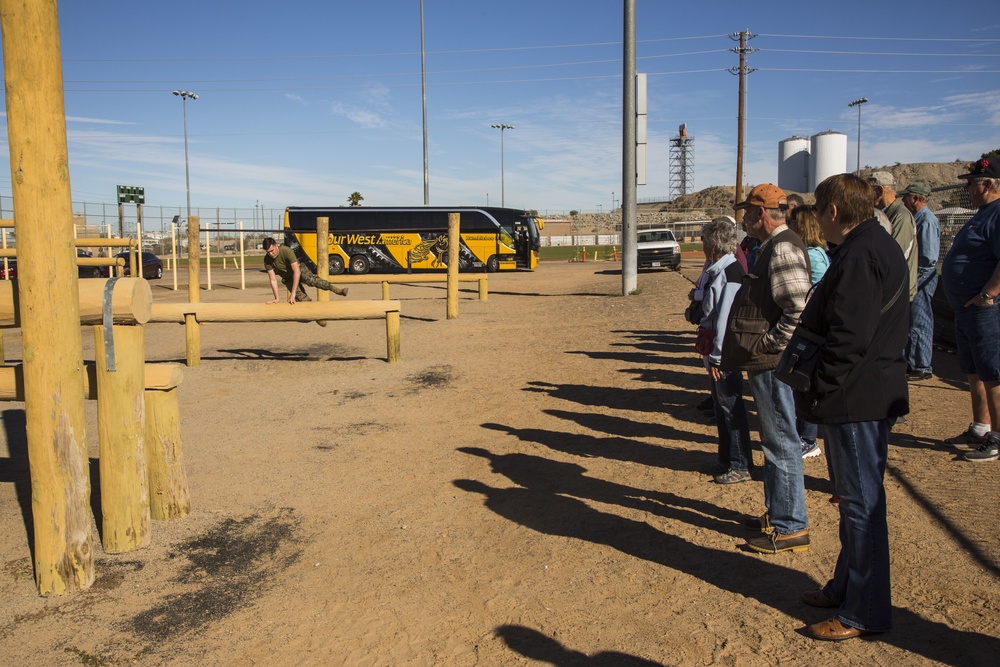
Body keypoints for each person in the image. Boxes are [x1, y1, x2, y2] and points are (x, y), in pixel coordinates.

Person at [794, 173, 909, 641]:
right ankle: (846, 587)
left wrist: (821, 385)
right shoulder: (868, 245)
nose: (818, 217)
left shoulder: (862, 253)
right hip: (862, 393)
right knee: (853, 504)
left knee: (861, 507)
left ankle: (863, 611)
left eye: (820, 209)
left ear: (834, 212)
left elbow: (849, 337)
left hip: (857, 398)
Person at [721, 184, 812, 553]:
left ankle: (791, 525)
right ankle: (780, 512)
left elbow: (798, 306)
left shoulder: (784, 245)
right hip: (768, 360)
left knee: (780, 441)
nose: (743, 219)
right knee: (774, 439)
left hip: (773, 361)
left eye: (747, 212)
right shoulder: (773, 245)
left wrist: (771, 345)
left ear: (762, 214)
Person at [940, 157, 1000, 462]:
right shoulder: (982, 213)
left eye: (971, 182)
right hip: (966, 309)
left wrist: (988, 294)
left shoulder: (997, 213)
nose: (967, 187)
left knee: (993, 373)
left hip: (984, 309)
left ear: (987, 184)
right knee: (974, 370)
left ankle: (997, 437)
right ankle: (980, 427)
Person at [695, 218, 753, 484]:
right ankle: (726, 458)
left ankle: (741, 463)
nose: (703, 246)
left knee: (731, 407)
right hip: (716, 351)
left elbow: (726, 320)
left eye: (705, 241)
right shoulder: (718, 269)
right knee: (721, 408)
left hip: (724, 353)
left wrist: (718, 356)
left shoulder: (730, 273)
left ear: (714, 244)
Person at [787, 204, 829, 459]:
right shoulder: (810, 252)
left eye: (793, 222)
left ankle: (808, 439)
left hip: (810, 329)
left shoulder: (813, 255)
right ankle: (803, 435)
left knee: (805, 384)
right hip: (806, 327)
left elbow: (817, 294)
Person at [899, 182, 941, 381]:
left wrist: (916, 279)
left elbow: (928, 257)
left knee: (920, 321)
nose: (903, 200)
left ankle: (922, 365)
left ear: (915, 198)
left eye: (907, 196)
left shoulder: (926, 220)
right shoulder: (919, 218)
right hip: (918, 277)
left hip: (922, 278)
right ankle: (913, 362)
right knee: (914, 321)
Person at [869, 171, 918, 301]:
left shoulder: (901, 216)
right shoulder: (887, 213)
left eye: (869, 192)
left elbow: (892, 257)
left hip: (896, 293)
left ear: (879, 191)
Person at [263, 237, 349, 304]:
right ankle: (316, 316)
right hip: (288, 278)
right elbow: (273, 280)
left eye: (272, 251)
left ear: (276, 246)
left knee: (311, 280)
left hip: (298, 269)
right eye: (268, 252)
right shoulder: (267, 260)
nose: (271, 254)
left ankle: (336, 290)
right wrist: (276, 298)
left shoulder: (286, 251)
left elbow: (297, 272)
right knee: (301, 298)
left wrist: (292, 293)